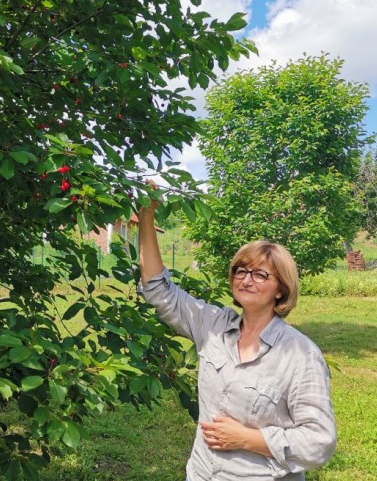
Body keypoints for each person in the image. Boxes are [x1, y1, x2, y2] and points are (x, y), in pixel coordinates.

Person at [137, 199, 336, 481]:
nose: (245, 280)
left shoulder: (300, 354)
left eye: (260, 274)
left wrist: (248, 439)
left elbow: (320, 441)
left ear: (281, 289)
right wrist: (146, 215)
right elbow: (159, 290)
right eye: (240, 271)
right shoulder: (213, 325)